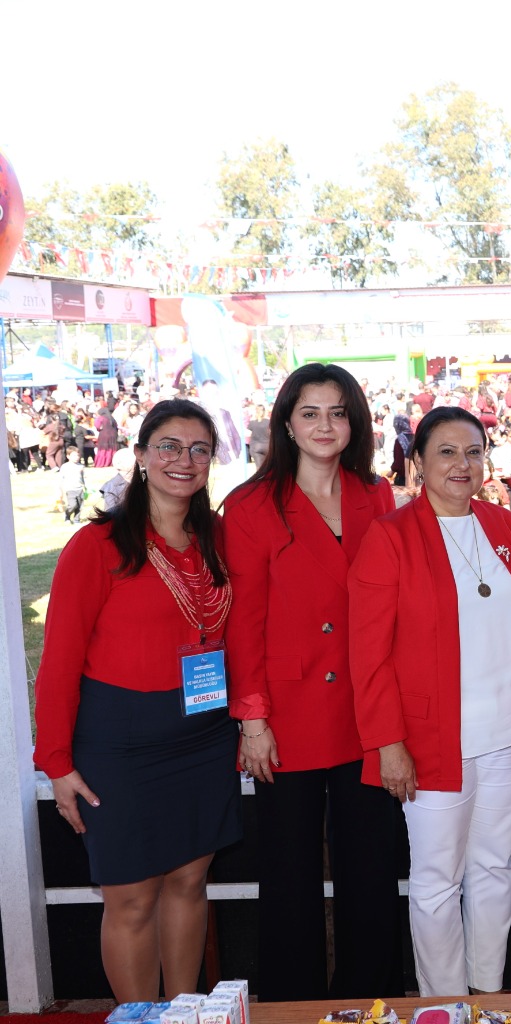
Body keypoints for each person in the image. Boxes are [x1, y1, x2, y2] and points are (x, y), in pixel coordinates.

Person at [34, 399, 242, 1001]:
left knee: (189, 883)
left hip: (204, 735)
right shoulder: (97, 545)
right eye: (169, 446)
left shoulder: (218, 540)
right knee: (131, 898)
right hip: (120, 741)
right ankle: (139, 1018)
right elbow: (58, 664)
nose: (185, 459)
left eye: (199, 449)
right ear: (142, 455)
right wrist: (57, 763)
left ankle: (184, 1011)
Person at [221, 364, 402, 1000]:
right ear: (287, 424)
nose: (325, 425)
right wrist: (253, 719)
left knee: (371, 869)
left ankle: (371, 998)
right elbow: (244, 623)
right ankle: (291, 1005)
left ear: (355, 423)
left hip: (364, 708)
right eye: (310, 413)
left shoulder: (375, 495)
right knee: (288, 873)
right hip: (287, 715)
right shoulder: (250, 506)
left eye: (338, 412)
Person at [350, 405, 511, 997]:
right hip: (431, 744)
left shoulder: (502, 525)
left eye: (474, 452)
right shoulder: (390, 537)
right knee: (436, 881)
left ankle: (487, 993)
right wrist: (388, 744)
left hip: (506, 737)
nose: (463, 464)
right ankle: (444, 1002)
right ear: (418, 463)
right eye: (447, 452)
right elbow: (368, 656)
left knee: (495, 870)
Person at [58, 446, 88, 524]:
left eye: (78, 455)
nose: (76, 457)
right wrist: (60, 490)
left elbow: (83, 477)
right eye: (74, 455)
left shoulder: (81, 466)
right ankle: (67, 516)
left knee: (80, 506)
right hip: (70, 489)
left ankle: (76, 520)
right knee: (72, 505)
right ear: (68, 456)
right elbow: (61, 479)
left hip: (80, 489)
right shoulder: (65, 466)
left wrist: (85, 487)